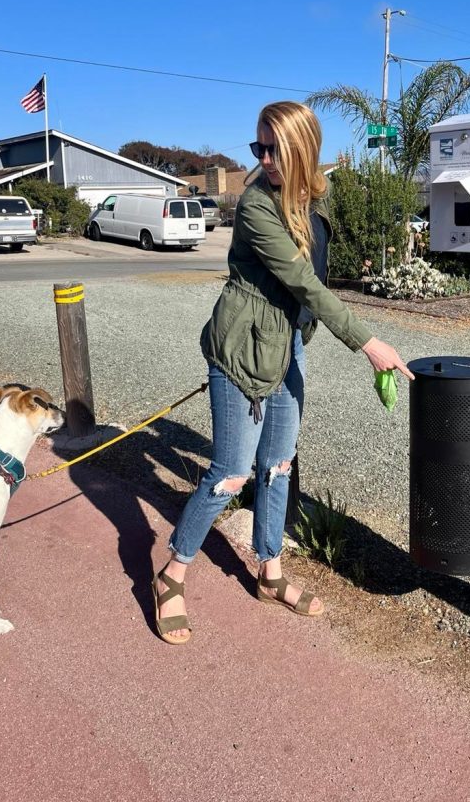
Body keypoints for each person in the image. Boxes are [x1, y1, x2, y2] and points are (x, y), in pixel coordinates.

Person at [153, 101, 414, 643]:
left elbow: (316, 276)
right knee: (230, 473)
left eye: (274, 148)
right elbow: (303, 283)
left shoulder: (313, 197)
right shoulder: (254, 205)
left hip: (287, 345)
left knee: (278, 466)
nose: (265, 158)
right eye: (258, 148)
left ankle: (269, 572)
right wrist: (367, 342)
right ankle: (172, 573)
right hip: (242, 350)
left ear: (302, 150)